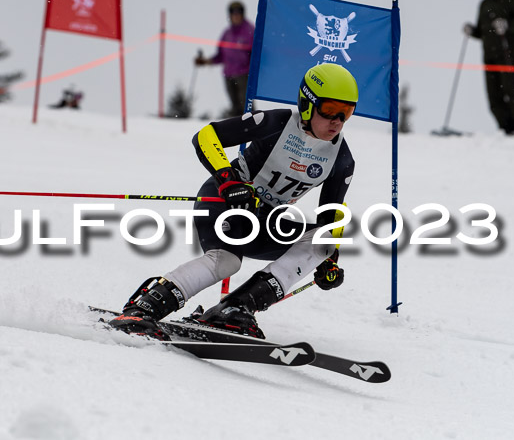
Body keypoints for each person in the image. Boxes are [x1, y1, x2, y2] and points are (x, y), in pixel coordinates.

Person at [110, 63, 358, 340]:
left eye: (346, 112)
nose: (337, 120)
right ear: (308, 104)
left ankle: (236, 308)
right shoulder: (276, 123)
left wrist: (328, 261)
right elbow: (206, 136)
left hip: (264, 221)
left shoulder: (342, 159)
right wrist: (230, 181)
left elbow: (330, 216)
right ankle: (146, 306)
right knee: (226, 262)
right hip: (224, 202)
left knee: (322, 241)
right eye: (330, 109)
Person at [464, 0, 514, 135]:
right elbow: (482, 32)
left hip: (507, 55)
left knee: (511, 92)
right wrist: (471, 31)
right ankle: (507, 130)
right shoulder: (485, 4)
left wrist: (507, 26)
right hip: (489, 57)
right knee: (493, 98)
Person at [195, 0, 255, 117]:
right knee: (235, 107)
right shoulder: (227, 33)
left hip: (244, 75)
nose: (236, 15)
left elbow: (257, 54)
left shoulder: (250, 31)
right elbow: (220, 56)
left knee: (247, 107)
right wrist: (206, 61)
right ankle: (237, 131)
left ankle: (254, 130)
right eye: (233, 13)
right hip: (229, 75)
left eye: (238, 13)